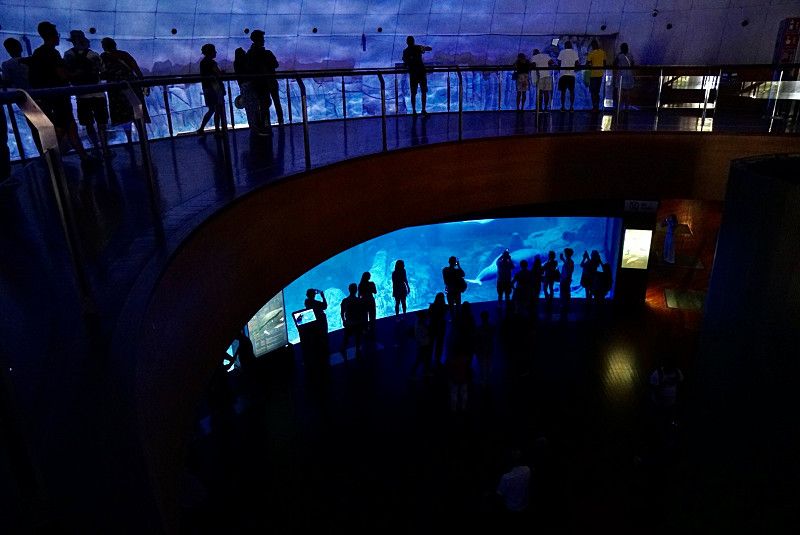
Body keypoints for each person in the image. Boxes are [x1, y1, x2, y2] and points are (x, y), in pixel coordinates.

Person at [27, 22, 95, 163]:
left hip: (47, 98)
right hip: (59, 98)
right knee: (63, 127)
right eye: (57, 34)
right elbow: (62, 75)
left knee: (68, 126)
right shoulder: (53, 53)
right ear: (53, 35)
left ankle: (79, 157)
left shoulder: (38, 53)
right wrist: (78, 73)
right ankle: (50, 158)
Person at [64, 30, 111, 157]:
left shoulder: (68, 55)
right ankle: (105, 149)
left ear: (72, 41)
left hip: (82, 94)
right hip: (98, 93)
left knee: (88, 123)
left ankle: (96, 147)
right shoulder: (93, 54)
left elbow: (67, 72)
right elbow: (102, 69)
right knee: (101, 122)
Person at [100, 37, 149, 144]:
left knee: (124, 116)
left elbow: (102, 73)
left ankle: (129, 139)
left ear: (104, 47)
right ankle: (143, 138)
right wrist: (143, 84)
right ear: (114, 44)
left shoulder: (103, 57)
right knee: (137, 112)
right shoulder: (124, 54)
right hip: (131, 86)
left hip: (116, 90)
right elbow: (136, 69)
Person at [246, 30, 280, 135]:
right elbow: (276, 64)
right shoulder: (267, 53)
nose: (263, 40)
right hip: (269, 82)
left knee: (263, 105)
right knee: (274, 103)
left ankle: (263, 126)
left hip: (258, 83)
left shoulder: (250, 54)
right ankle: (278, 123)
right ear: (259, 39)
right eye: (262, 38)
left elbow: (249, 68)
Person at [446, 302, 475, 412]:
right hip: (466, 341)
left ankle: (454, 406)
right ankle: (463, 406)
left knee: (455, 389)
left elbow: (455, 328)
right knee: (466, 358)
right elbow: (472, 328)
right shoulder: (470, 318)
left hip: (461, 341)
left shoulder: (459, 317)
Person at [197, 43, 225, 136]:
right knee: (218, 109)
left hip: (207, 89)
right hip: (215, 89)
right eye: (214, 51)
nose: (216, 52)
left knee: (212, 109)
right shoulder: (212, 63)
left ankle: (201, 128)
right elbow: (218, 73)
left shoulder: (202, 63)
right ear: (210, 52)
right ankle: (217, 131)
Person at [402, 36, 432, 115]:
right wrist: (424, 48)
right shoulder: (418, 48)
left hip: (413, 74)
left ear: (407, 42)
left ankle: (414, 111)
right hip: (421, 73)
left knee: (413, 93)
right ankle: (423, 110)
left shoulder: (406, 51)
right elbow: (429, 48)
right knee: (423, 92)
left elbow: (405, 62)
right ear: (413, 41)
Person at [496, 449, 530, 514]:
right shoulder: (527, 469)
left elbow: (500, 494)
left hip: (511, 506)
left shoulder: (506, 477)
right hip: (524, 503)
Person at [340, 283, 366, 359]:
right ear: (356, 290)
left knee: (346, 337)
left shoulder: (345, 300)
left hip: (349, 323)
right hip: (358, 323)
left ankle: (343, 348)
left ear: (349, 290)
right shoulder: (359, 300)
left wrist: (344, 320)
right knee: (358, 337)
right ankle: (358, 349)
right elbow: (363, 312)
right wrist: (364, 323)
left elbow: (342, 312)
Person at [557, 41, 579, 112]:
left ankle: (563, 107)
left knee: (563, 92)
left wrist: (560, 69)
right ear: (571, 45)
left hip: (563, 74)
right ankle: (571, 107)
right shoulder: (574, 52)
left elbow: (559, 62)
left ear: (565, 46)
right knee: (572, 91)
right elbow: (577, 63)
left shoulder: (562, 52)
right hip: (571, 75)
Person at [585, 39, 607, 111]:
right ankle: (597, 106)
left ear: (592, 46)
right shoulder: (602, 52)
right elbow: (604, 63)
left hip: (593, 75)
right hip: (600, 74)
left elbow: (587, 64)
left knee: (593, 92)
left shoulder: (591, 53)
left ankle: (594, 107)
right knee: (597, 92)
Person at [613, 43, 635, 111]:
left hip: (621, 74)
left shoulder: (619, 56)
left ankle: (619, 108)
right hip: (629, 75)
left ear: (621, 48)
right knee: (627, 92)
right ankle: (626, 108)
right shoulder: (630, 55)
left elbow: (614, 64)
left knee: (620, 92)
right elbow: (632, 64)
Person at [428, 292, 448, 367]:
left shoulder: (434, 306)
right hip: (436, 327)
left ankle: (436, 360)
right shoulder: (444, 307)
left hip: (438, 327)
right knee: (434, 344)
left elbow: (429, 315)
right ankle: (433, 360)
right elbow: (429, 315)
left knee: (438, 344)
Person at [411, 309, 432, 378]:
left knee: (421, 359)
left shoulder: (418, 323)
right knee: (422, 359)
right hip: (424, 344)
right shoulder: (421, 324)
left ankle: (418, 373)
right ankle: (416, 373)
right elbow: (425, 333)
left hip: (421, 344)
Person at [476, 310, 494, 387]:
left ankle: (484, 380)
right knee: (488, 364)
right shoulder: (491, 327)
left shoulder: (479, 328)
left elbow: (478, 340)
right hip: (489, 347)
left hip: (483, 348)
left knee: (483, 365)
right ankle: (488, 380)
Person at [559, 248, 575, 314]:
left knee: (565, 292)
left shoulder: (570, 262)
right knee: (565, 292)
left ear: (567, 254)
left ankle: (565, 305)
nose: (564, 254)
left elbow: (569, 270)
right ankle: (565, 305)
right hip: (565, 279)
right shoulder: (569, 261)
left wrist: (563, 259)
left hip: (566, 279)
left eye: (565, 252)